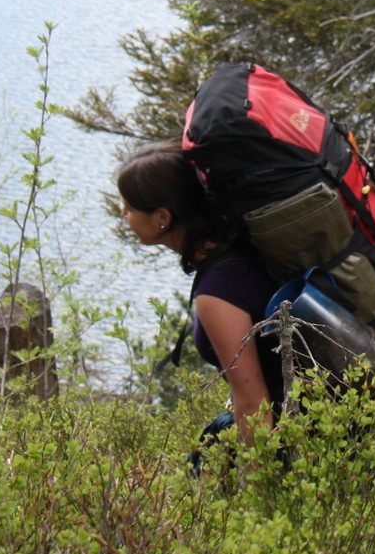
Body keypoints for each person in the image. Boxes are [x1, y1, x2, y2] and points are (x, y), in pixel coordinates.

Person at [117, 141, 284, 443]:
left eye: (130, 207)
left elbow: (253, 405)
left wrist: (256, 487)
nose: (123, 213)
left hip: (294, 440)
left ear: (162, 218)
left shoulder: (218, 291)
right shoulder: (238, 244)